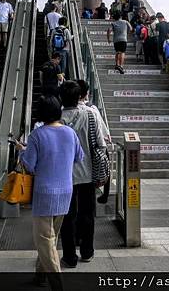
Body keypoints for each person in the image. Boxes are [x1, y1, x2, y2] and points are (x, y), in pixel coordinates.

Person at [15, 96, 83, 283]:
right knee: (51, 238)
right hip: (66, 191)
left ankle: (56, 282)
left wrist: (22, 150)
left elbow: (29, 165)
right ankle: (40, 274)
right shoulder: (70, 133)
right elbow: (79, 157)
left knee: (44, 239)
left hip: (44, 193)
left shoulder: (37, 135)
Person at [60, 81, 105, 268]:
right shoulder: (91, 114)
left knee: (66, 216)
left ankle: (69, 256)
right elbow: (101, 143)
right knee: (87, 214)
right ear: (80, 96)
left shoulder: (57, 117)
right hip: (87, 173)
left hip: (63, 176)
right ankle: (87, 251)